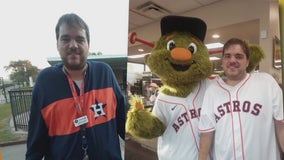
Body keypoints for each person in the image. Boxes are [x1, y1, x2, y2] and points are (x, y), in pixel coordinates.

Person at [26, 13, 126, 160]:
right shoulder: (45, 81)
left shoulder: (104, 73)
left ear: (88, 44)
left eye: (80, 39)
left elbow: (123, 121)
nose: (73, 45)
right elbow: (35, 142)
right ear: (57, 44)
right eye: (65, 39)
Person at [198, 38, 284, 160]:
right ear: (222, 61)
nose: (232, 60)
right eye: (227, 56)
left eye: (238, 56)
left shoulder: (266, 83)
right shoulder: (212, 91)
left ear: (247, 61)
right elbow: (206, 134)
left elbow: (281, 125)